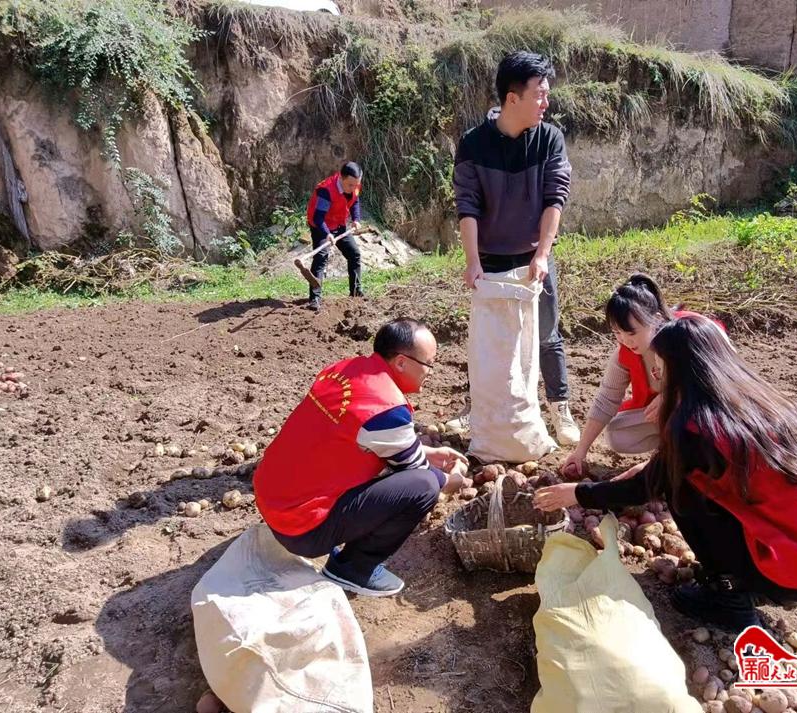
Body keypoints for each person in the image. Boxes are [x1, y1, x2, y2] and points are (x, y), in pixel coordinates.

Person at [534, 316, 797, 631]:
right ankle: (754, 582)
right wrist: (659, 465)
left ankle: (729, 600)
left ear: (682, 371)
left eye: (661, 367)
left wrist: (577, 493)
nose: (657, 375)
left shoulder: (695, 426)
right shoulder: (763, 402)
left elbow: (644, 488)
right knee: (685, 479)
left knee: (682, 490)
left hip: (793, 572)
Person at [254, 318, 471, 597]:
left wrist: (429, 453)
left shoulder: (344, 370)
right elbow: (420, 474)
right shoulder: (386, 408)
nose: (430, 372)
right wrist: (452, 479)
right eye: (429, 364)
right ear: (401, 362)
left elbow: (358, 436)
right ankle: (353, 569)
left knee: (417, 476)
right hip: (301, 528)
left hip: (271, 499)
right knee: (425, 487)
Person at [451, 50, 579, 445]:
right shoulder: (474, 144)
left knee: (546, 334)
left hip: (532, 256)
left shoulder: (550, 139)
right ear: (512, 98)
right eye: (539, 94)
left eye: (547, 94)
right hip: (490, 259)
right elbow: (467, 204)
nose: (546, 102)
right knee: (490, 339)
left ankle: (559, 408)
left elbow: (555, 199)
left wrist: (542, 255)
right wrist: (472, 261)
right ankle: (480, 408)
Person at [560, 273, 722, 479]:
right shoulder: (625, 353)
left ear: (656, 319)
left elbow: (720, 384)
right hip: (671, 418)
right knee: (618, 433)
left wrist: (672, 396)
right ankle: (670, 451)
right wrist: (580, 451)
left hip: (709, 413)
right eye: (617, 333)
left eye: (631, 333)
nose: (625, 341)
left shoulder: (689, 334)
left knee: (687, 414)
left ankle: (685, 456)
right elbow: (606, 399)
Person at [299, 161, 365, 311]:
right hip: (322, 226)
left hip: (339, 224)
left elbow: (355, 200)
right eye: (350, 185)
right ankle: (315, 299)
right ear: (341, 178)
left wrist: (356, 219)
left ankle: (356, 292)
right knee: (321, 258)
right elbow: (318, 218)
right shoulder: (326, 191)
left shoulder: (354, 184)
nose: (354, 188)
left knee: (354, 254)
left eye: (356, 185)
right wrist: (327, 234)